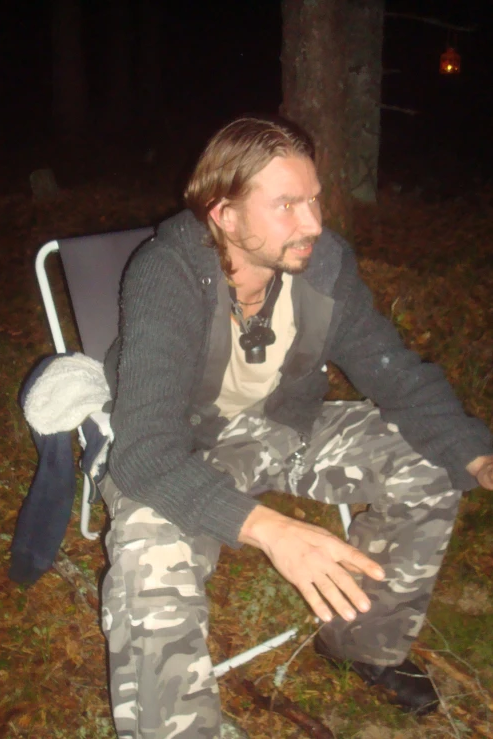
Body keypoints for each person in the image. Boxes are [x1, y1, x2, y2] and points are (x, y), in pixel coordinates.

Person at [100, 116, 493, 738]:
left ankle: (363, 644)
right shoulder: (166, 273)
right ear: (225, 215)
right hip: (186, 446)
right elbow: (144, 454)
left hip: (282, 426)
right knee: (149, 553)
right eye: (286, 205)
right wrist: (270, 531)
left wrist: (476, 455)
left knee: (428, 463)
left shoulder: (323, 264)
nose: (312, 222)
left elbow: (389, 367)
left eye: (313, 199)